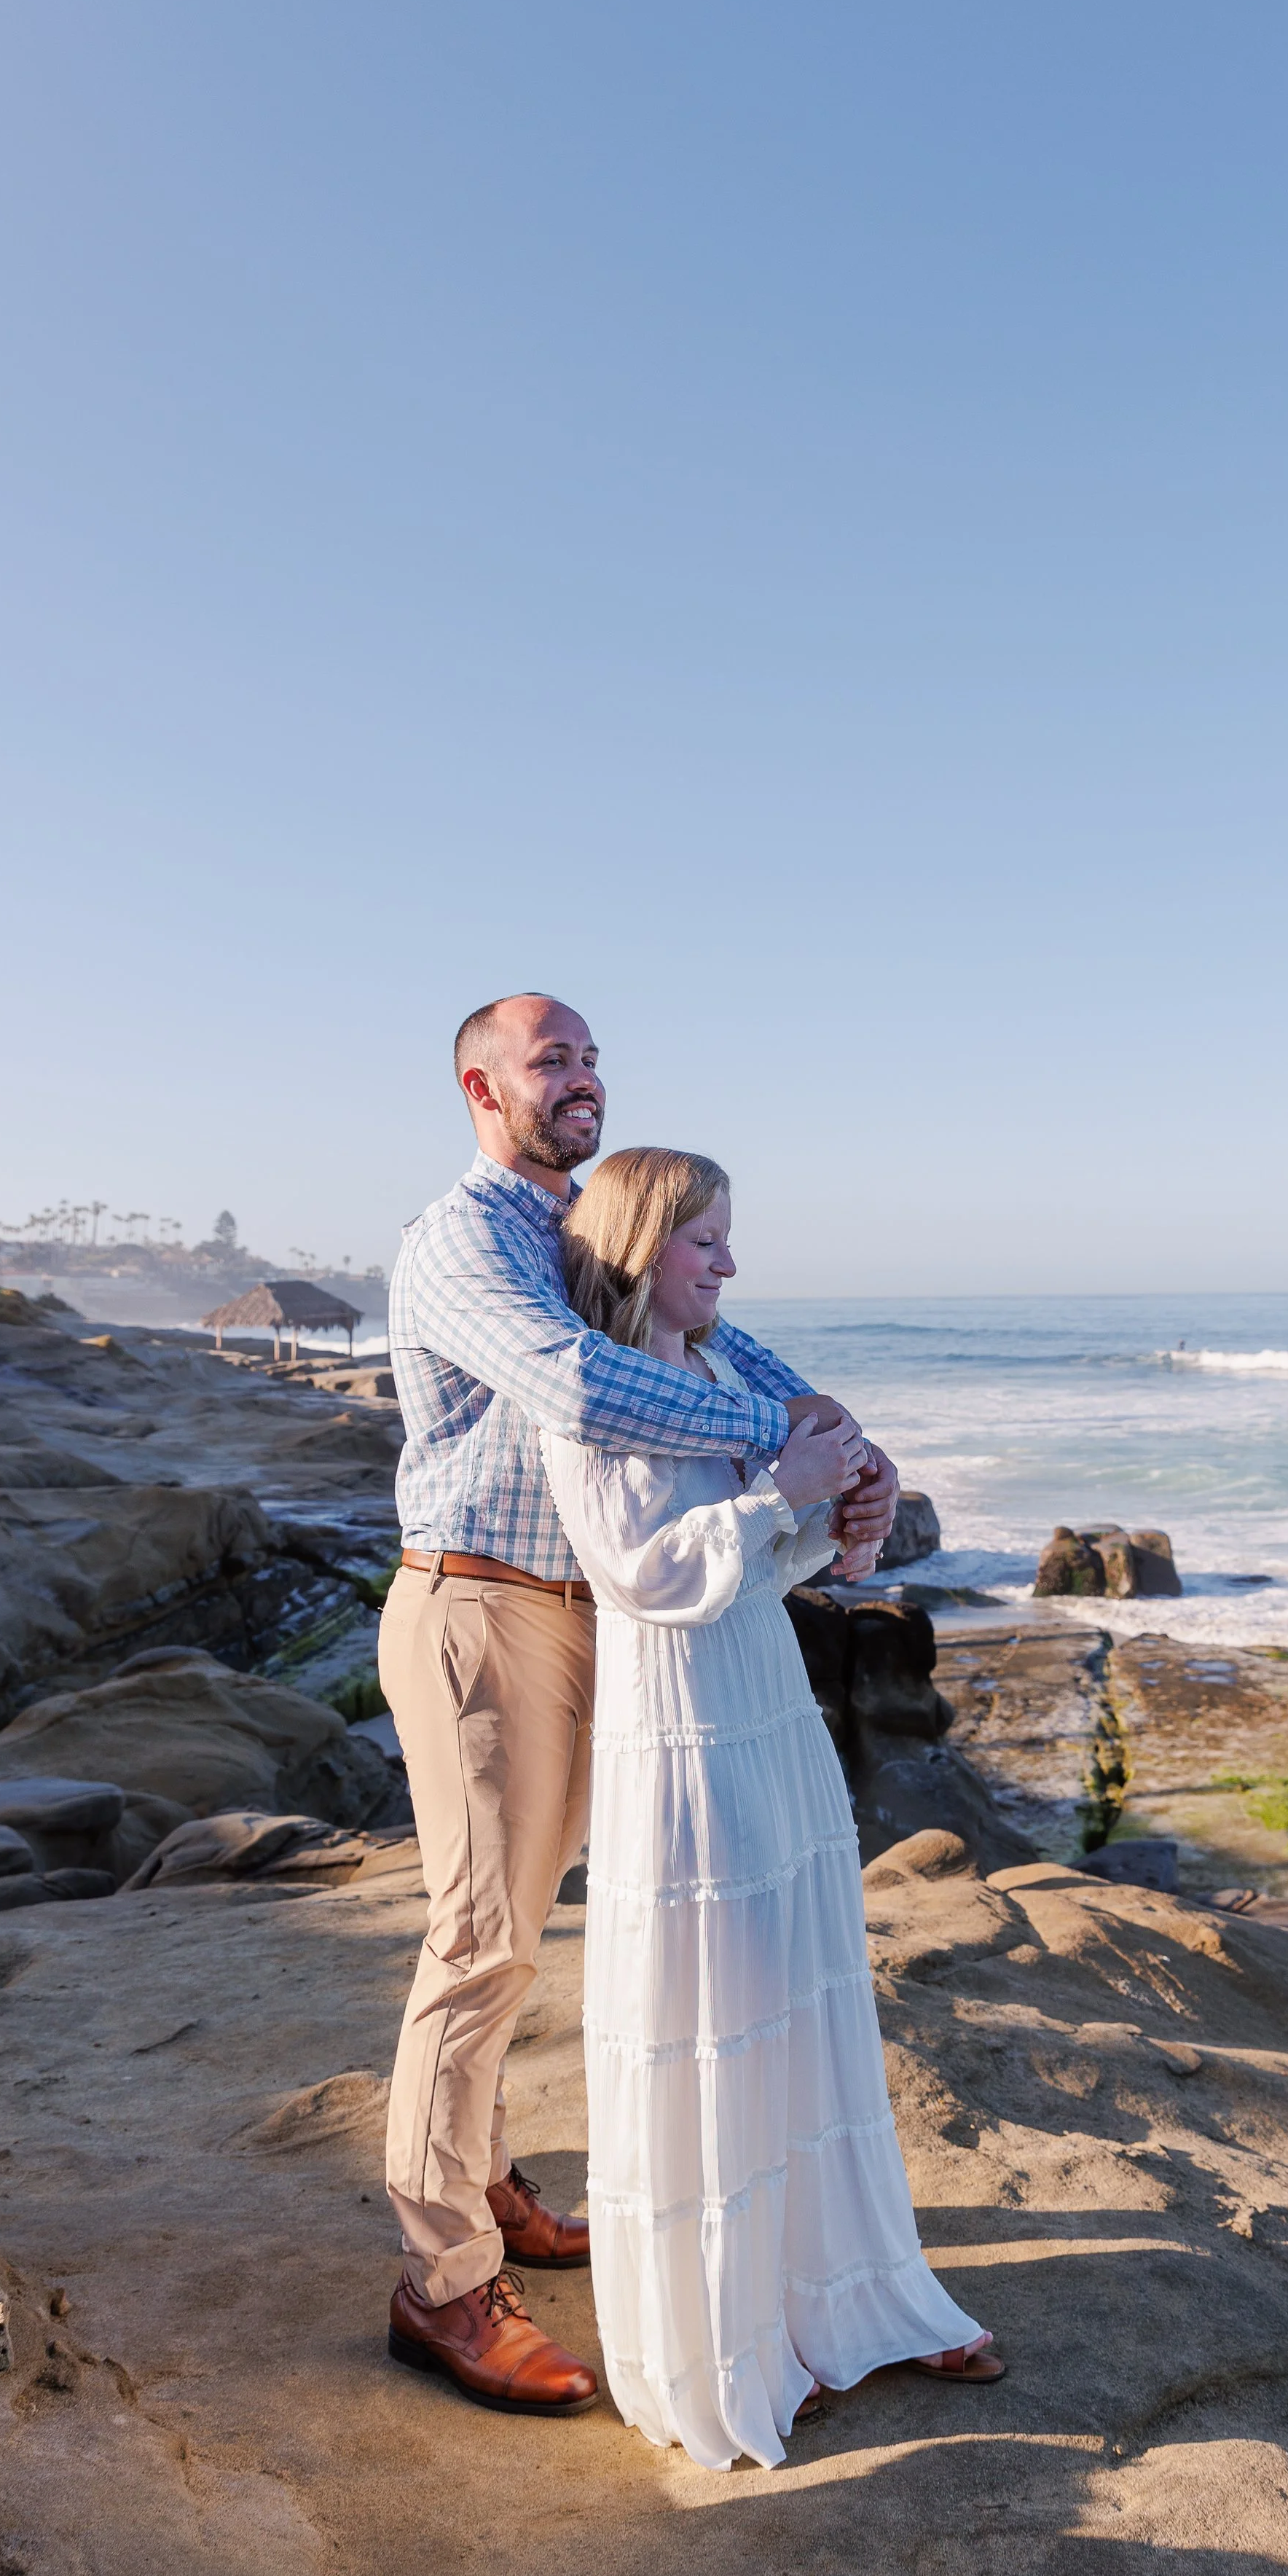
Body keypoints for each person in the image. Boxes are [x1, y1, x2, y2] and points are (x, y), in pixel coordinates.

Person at [379, 992, 900, 2415]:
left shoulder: (593, 1231)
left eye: (594, 1056)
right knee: (482, 1943)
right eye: (552, 1060)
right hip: (486, 1607)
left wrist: (847, 1442)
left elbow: (724, 1348)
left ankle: (488, 2185)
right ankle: (441, 2285)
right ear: (483, 1091)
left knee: (587, 1923)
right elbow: (580, 1382)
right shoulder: (465, 1239)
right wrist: (775, 1451)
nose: (583, 1078)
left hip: (609, 1619)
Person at [541, 1145, 1005, 2469]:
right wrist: (778, 1497)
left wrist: (836, 1525)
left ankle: (843, 2300)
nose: (731, 1267)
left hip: (762, 1700)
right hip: (680, 1724)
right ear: (642, 1250)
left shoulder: (715, 1378)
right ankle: (724, 2340)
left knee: (803, 1997)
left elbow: (759, 1563)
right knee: (718, 2014)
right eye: (707, 1245)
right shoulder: (597, 1400)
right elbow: (640, 1574)